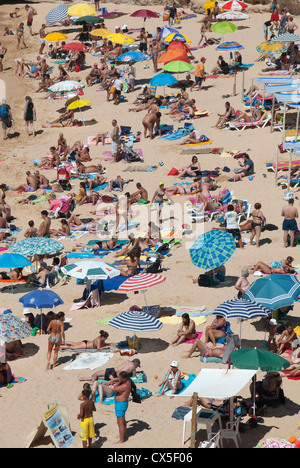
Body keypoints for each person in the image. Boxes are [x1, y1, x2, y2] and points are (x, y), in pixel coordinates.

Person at [113, 371, 132, 443]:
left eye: (121, 378)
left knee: (120, 422)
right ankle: (123, 435)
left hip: (120, 404)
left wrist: (118, 382)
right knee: (122, 420)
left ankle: (121, 440)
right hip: (122, 403)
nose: (119, 379)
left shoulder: (125, 385)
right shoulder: (128, 381)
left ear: (124, 378)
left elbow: (114, 389)